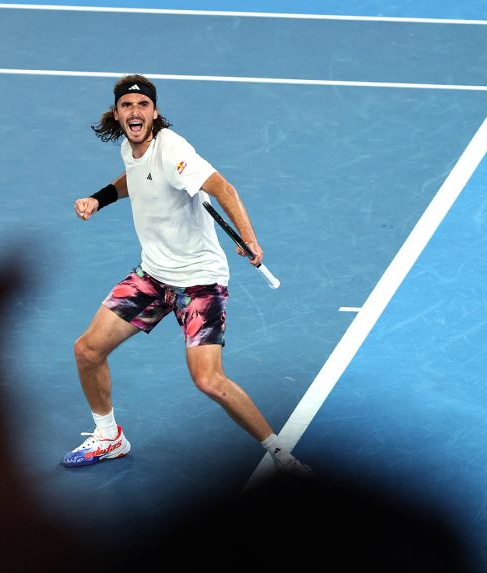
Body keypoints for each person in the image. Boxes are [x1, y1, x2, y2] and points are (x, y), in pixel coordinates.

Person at [64, 74, 308, 475]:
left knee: (209, 380)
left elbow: (224, 189)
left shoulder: (174, 151)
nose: (135, 112)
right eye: (127, 106)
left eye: (143, 105)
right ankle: (109, 436)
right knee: (87, 350)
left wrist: (249, 240)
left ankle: (282, 456)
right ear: (117, 114)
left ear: (155, 113)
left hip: (199, 283)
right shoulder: (131, 146)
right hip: (153, 276)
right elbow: (135, 178)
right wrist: (98, 198)